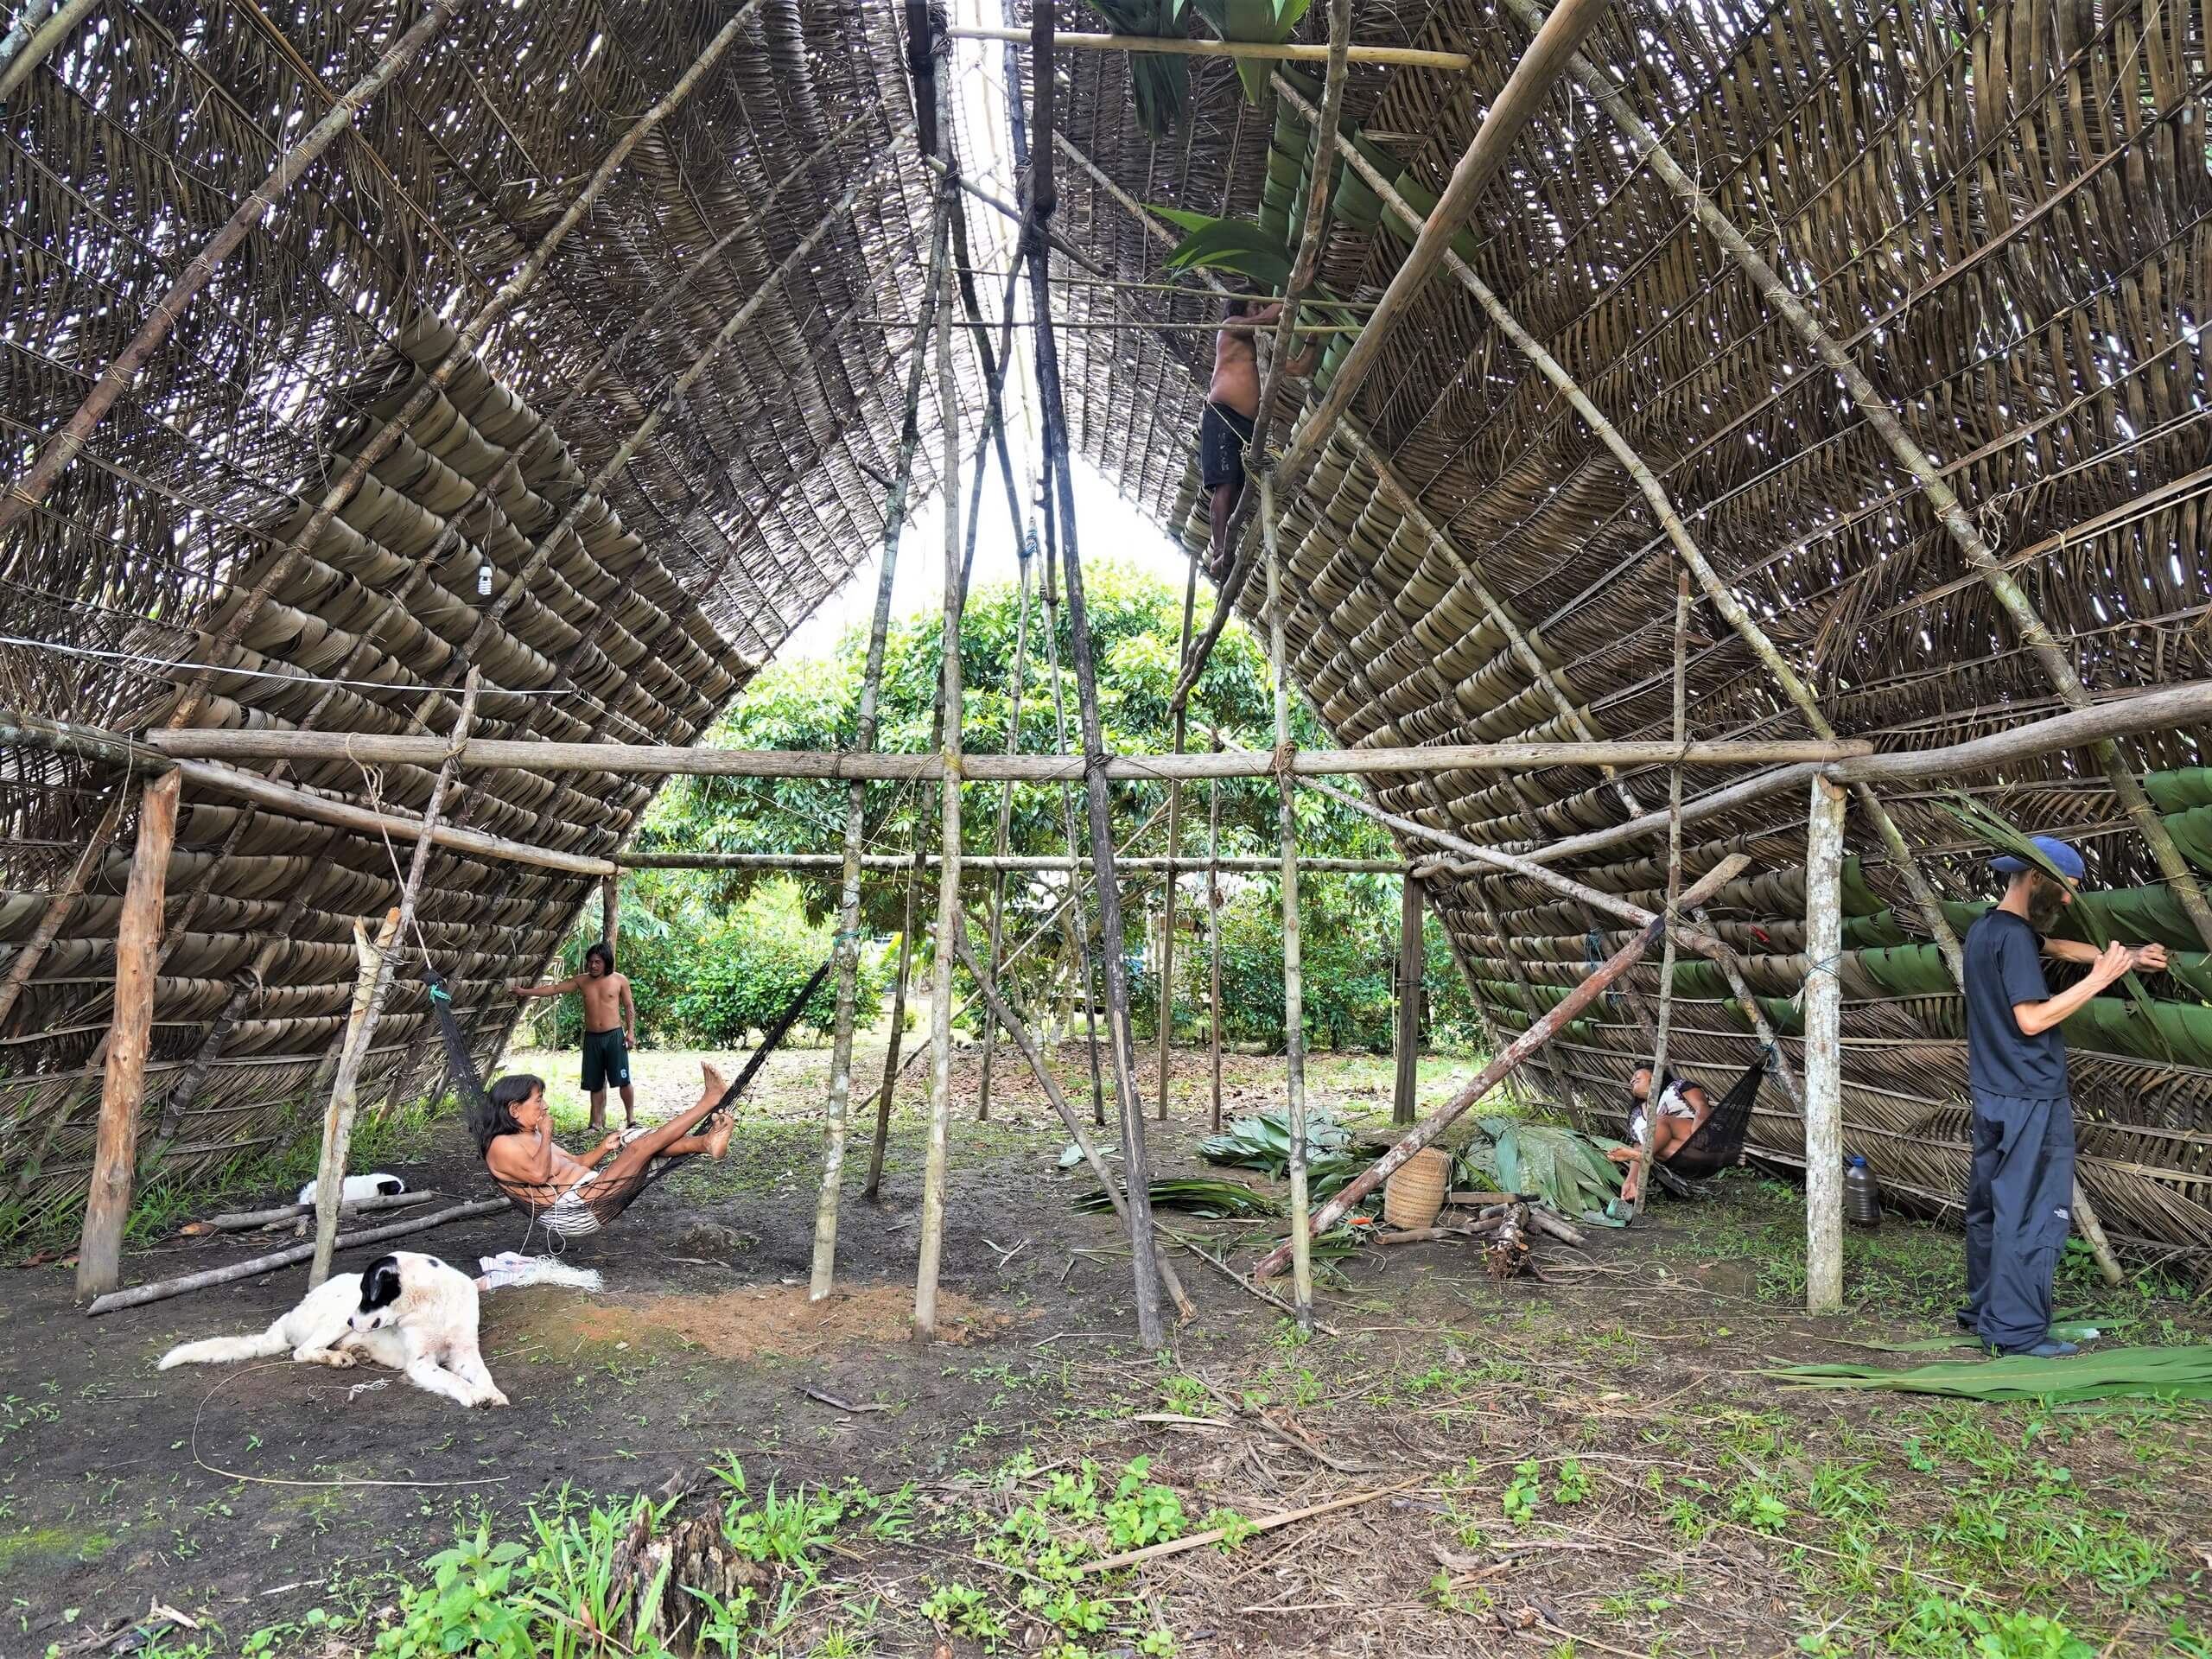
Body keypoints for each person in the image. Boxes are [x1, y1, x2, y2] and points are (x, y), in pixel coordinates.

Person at [1961, 835, 2164, 1357]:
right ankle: (2016, 1332)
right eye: (2068, 888)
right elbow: (2031, 1019)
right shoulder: (2012, 937)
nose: (2072, 900)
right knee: (2030, 1212)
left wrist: (2128, 957)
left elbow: (2051, 947)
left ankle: (1983, 1311)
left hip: (1992, 1091)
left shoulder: (1991, 929)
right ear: (2036, 880)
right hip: (2030, 1096)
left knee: (1990, 1207)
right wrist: (2100, 979)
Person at [478, 1065, 733, 1231]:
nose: (545, 1106)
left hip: (590, 1190)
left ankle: (705, 1143)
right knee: (638, 1148)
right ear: (514, 1109)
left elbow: (575, 1162)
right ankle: (709, 1101)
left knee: (638, 1138)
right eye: (538, 1100)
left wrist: (602, 1148)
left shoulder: (529, 1133)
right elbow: (538, 1175)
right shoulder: (501, 1145)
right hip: (571, 1211)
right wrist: (546, 1135)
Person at [1203, 296, 1319, 581]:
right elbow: (1266, 318)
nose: (1260, 310)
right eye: (1255, 305)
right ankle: (1219, 551)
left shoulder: (1260, 343)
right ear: (1241, 309)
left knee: (1239, 488)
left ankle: (1227, 550)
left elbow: (1298, 368)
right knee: (1225, 484)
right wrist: (1293, 294)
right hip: (1222, 414)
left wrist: (1313, 340)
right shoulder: (1231, 326)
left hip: (1247, 426)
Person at [513, 942, 636, 1130]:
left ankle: (631, 1119)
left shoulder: (619, 980)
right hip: (592, 1038)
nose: (593, 965)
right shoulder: (581, 981)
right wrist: (525, 992)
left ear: (606, 962)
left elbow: (629, 1006)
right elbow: (554, 989)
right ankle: (596, 1124)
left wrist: (631, 1032)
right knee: (594, 1082)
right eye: (590, 962)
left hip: (614, 1036)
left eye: (597, 962)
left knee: (623, 1080)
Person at [1606, 1065, 1713, 1203]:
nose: (1632, 1081)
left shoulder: (1677, 1087)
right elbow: (1638, 1148)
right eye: (1631, 1080)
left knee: (1659, 1123)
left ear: (1654, 1074)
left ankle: (1646, 1154)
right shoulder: (1635, 1116)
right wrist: (1630, 1181)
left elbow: (1702, 1107)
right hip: (1676, 1158)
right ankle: (1646, 1155)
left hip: (1695, 1141)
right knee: (1646, 1144)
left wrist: (1700, 1135)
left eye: (1637, 1076)